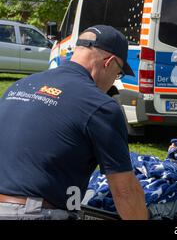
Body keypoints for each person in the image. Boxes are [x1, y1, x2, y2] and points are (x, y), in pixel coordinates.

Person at [0, 25, 148, 220]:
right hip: (35, 213)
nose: (114, 80)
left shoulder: (18, 86)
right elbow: (124, 191)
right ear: (109, 62)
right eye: (118, 73)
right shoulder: (100, 105)